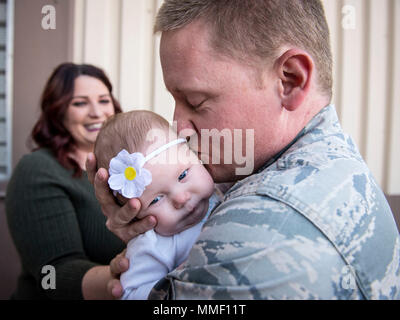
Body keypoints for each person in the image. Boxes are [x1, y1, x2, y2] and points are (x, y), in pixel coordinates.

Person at [87, 0, 400, 299]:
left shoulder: (259, 230)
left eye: (196, 102)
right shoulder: (326, 159)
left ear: (289, 80)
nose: (179, 126)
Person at [6, 63, 126, 299]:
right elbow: (55, 274)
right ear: (58, 111)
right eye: (80, 103)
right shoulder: (37, 170)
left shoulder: (127, 166)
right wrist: (136, 278)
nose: (96, 112)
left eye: (103, 100)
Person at [94, 110, 222, 299]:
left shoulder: (225, 186)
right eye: (155, 199)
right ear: (135, 216)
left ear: (197, 157)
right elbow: (131, 293)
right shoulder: (154, 245)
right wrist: (182, 283)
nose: (180, 198)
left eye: (183, 175)